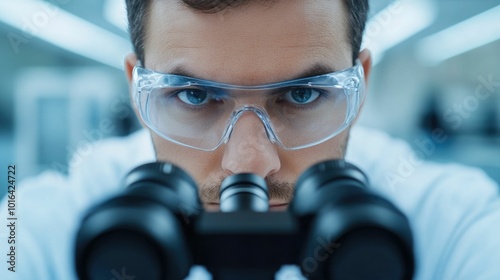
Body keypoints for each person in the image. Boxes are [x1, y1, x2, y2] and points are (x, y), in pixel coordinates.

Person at [2, 0, 500, 279]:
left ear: (360, 84)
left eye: (302, 94)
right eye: (194, 95)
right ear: (138, 90)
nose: (249, 165)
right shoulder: (36, 229)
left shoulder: (455, 221)